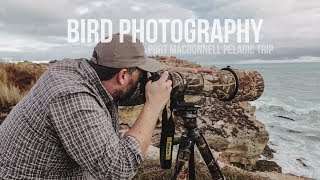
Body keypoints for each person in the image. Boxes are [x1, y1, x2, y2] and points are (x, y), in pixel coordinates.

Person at [0, 33, 211, 179]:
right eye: (141, 73)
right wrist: (153, 106)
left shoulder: (78, 70)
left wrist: (169, 76)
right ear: (123, 75)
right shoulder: (72, 97)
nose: (144, 78)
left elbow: (124, 92)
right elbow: (118, 170)